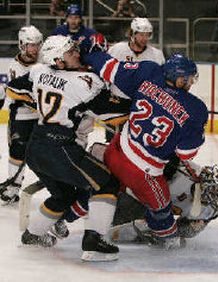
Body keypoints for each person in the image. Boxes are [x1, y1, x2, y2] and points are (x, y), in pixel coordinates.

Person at [6, 35, 124, 262]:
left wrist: (42, 101)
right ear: (58, 60)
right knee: (107, 182)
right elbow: (117, 115)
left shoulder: (38, 71)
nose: (77, 54)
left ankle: (33, 235)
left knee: (64, 194)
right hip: (61, 147)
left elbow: (13, 89)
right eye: (71, 52)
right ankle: (94, 243)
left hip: (36, 146)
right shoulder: (85, 81)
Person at [82, 43, 209, 250]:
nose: (190, 83)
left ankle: (106, 207)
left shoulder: (148, 71)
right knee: (163, 213)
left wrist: (89, 54)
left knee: (112, 179)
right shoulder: (195, 108)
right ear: (179, 79)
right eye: (188, 79)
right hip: (143, 173)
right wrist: (196, 128)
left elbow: (109, 67)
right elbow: (186, 153)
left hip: (116, 150)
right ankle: (158, 233)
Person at [109, 160, 218, 243]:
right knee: (114, 218)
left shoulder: (212, 210)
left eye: (217, 193)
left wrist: (191, 228)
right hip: (139, 197)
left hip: (158, 214)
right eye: (212, 189)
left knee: (166, 239)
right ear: (204, 180)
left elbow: (184, 232)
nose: (213, 195)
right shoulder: (183, 169)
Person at [0, 25, 43, 204]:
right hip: (20, 117)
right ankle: (13, 187)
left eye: (36, 45)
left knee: (43, 154)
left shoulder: (45, 62)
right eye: (30, 45)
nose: (34, 49)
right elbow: (18, 95)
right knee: (17, 152)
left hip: (42, 118)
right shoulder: (14, 66)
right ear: (22, 45)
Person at [106, 17, 165, 142]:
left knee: (136, 141)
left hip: (142, 106)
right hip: (117, 103)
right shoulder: (117, 49)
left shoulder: (156, 55)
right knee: (111, 140)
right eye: (141, 34)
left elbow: (161, 83)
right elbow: (105, 71)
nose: (144, 38)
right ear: (132, 34)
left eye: (147, 35)